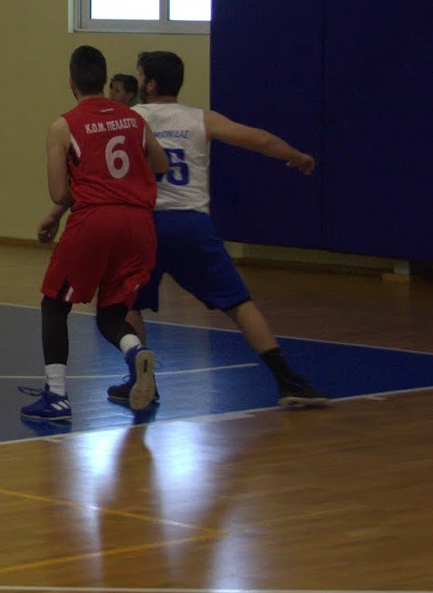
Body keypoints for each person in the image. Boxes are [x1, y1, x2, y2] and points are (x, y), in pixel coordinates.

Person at [124, 50, 330, 408]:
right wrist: (296, 156)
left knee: (126, 303)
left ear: (150, 84)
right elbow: (260, 140)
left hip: (146, 223)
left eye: (141, 76)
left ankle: (142, 382)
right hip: (192, 223)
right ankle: (287, 380)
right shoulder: (199, 119)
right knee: (238, 303)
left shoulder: (131, 119)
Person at [22, 46, 169, 422]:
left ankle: (56, 396)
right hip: (138, 223)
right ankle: (135, 352)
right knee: (112, 312)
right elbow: (161, 164)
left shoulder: (64, 126)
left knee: (55, 304)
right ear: (105, 80)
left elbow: (59, 193)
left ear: (71, 80)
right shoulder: (133, 119)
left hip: (95, 221)